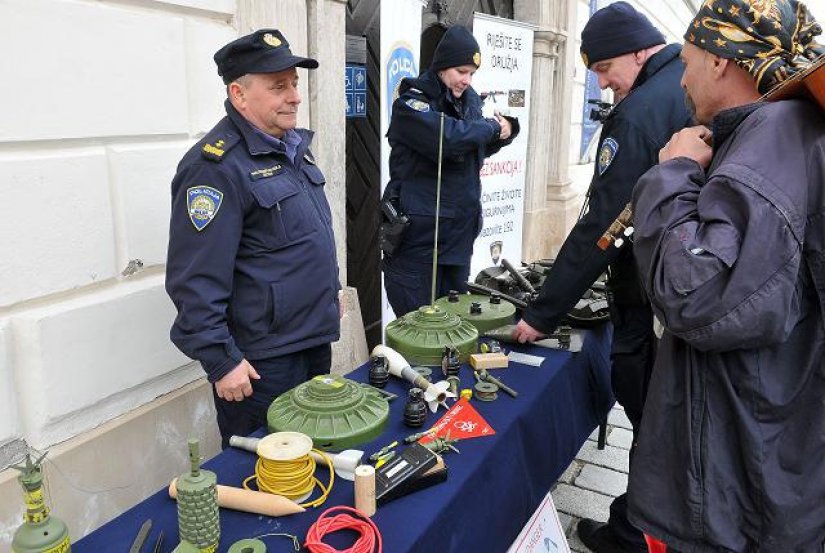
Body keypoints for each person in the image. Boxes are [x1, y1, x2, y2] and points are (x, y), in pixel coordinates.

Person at [627, 1, 825, 551]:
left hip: (739, 479)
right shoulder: (791, 131)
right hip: (769, 456)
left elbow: (700, 297)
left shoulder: (773, 137)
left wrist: (673, 174)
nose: (683, 80)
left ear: (720, 61)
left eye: (689, 63)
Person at [512, 3, 692, 552]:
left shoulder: (641, 111)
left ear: (640, 51)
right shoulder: (676, 85)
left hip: (647, 293)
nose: (601, 81)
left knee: (648, 412)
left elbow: (605, 222)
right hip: (667, 283)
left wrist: (543, 312)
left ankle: (635, 534)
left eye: (606, 67)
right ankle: (638, 521)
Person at [165, 29, 341, 448]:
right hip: (261, 365)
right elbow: (195, 278)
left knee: (312, 457)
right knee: (266, 471)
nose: (295, 96)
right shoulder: (214, 168)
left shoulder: (292, 148)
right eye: (278, 87)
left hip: (311, 341)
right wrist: (221, 360)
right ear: (239, 95)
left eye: (294, 84)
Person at [381, 25, 518, 317]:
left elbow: (471, 147)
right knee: (419, 330)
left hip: (456, 240)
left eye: (471, 74)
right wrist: (493, 127)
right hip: (419, 244)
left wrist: (509, 129)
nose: (467, 80)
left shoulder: (467, 104)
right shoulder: (411, 104)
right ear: (442, 67)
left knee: (454, 327)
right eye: (460, 71)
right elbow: (448, 139)